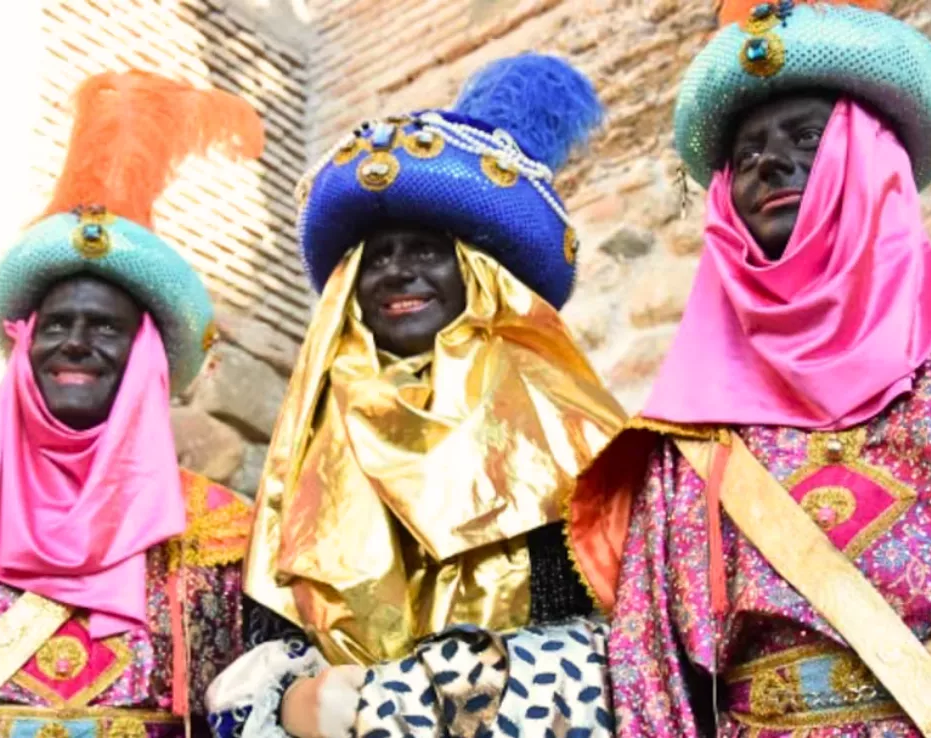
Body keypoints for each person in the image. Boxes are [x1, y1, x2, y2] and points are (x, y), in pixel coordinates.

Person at [565, 1, 931, 736]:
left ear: (873, 156)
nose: (769, 165)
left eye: (807, 137)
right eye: (744, 157)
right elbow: (652, 676)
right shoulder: (690, 443)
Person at [205, 54, 627, 738]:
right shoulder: (309, 450)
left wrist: (417, 699)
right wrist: (294, 703)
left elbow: (624, 641)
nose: (397, 271)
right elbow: (263, 648)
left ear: (478, 275)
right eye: (376, 256)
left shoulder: (568, 436)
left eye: (426, 250)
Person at [0, 70, 264, 737]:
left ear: (147, 355)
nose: (77, 344)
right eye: (57, 324)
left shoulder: (220, 544)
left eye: (107, 328)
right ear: (25, 343)